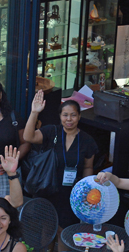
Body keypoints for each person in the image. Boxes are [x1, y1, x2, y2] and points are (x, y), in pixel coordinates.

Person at [23, 91, 97, 230]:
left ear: (79, 116)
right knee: (47, 227)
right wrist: (34, 112)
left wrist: (86, 190)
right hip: (48, 187)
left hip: (70, 193)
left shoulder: (87, 141)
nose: (69, 119)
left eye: (73, 115)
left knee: (64, 230)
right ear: (60, 116)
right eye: (65, 115)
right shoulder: (52, 132)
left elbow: (88, 167)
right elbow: (28, 137)